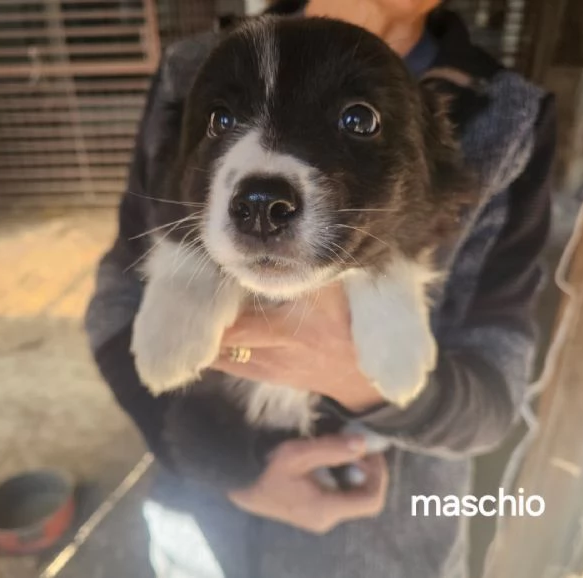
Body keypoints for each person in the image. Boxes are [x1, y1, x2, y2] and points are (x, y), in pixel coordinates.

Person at [85, 0, 556, 576]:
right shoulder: (193, 66)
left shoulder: (509, 116)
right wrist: (228, 469)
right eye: (224, 122)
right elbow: (120, 295)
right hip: (203, 527)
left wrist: (358, 375)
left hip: (391, 549)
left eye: (359, 120)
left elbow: (495, 397)